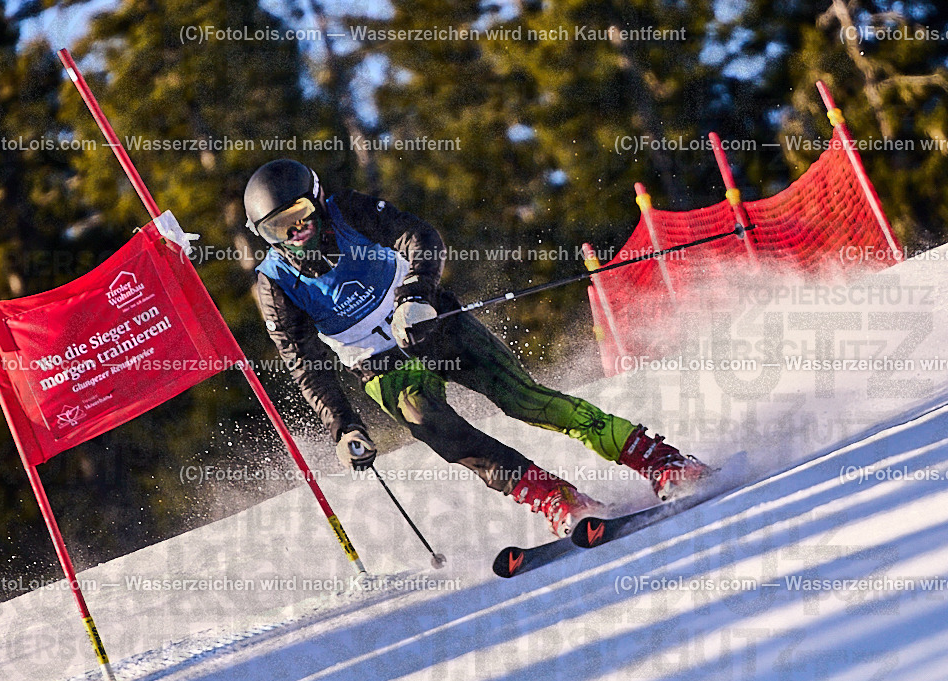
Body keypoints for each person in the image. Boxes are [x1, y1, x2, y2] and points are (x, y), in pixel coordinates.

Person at [245, 159, 710, 538]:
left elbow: (420, 237)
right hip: (380, 365)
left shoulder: (349, 210)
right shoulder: (275, 284)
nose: (296, 232)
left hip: (430, 323)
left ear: (318, 199)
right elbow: (304, 363)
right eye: (278, 228)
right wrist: (344, 427)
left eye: (301, 214)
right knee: (436, 427)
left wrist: (416, 294)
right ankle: (555, 498)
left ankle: (657, 458)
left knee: (524, 399)